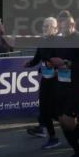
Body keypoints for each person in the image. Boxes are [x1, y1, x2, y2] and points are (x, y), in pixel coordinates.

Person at [50, 13, 79, 157]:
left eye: (68, 25)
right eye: (62, 25)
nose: (65, 28)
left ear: (73, 24)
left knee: (68, 119)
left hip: (77, 86)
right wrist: (52, 65)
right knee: (63, 120)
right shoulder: (58, 41)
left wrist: (66, 63)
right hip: (61, 85)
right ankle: (78, 150)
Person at [24, 17, 61, 147]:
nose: (45, 28)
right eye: (44, 26)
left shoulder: (59, 42)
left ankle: (77, 120)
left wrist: (57, 69)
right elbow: (37, 58)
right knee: (44, 108)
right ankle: (53, 137)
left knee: (55, 110)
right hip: (46, 78)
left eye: (48, 26)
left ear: (55, 28)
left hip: (58, 79)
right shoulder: (42, 41)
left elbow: (64, 60)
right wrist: (29, 64)